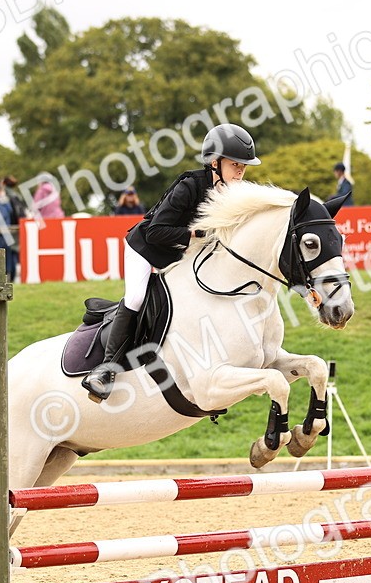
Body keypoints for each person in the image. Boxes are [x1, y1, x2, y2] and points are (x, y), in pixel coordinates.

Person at [81, 122, 261, 401]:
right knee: (137, 297)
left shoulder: (232, 194)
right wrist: (195, 234)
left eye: (244, 166)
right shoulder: (189, 186)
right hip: (145, 247)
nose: (240, 171)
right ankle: (105, 369)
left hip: (178, 254)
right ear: (214, 162)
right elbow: (156, 231)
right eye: (235, 164)